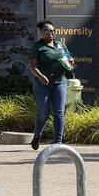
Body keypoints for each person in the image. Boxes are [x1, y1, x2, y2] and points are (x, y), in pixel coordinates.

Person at [28, 20, 68, 150]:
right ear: (41, 32)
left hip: (60, 82)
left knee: (59, 113)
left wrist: (71, 61)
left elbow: (68, 56)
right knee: (43, 113)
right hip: (42, 84)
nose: (50, 33)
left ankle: (58, 144)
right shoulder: (37, 46)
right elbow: (32, 65)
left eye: (52, 31)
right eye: (47, 31)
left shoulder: (60, 44)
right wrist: (40, 76)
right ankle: (37, 135)